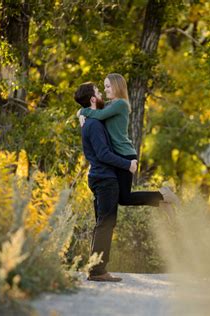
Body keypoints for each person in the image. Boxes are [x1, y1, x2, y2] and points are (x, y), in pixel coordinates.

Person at [78, 73, 179, 206]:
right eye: (104, 87)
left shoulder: (121, 104)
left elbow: (100, 115)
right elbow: (94, 108)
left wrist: (82, 113)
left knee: (124, 198)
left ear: (117, 86)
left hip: (124, 153)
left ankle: (163, 195)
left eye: (108, 86)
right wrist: (80, 111)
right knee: (122, 198)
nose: (105, 89)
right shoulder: (110, 104)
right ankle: (162, 201)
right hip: (117, 154)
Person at [75, 82, 138, 282]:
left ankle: (95, 268)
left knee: (103, 223)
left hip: (100, 177)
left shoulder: (91, 121)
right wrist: (126, 164)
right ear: (93, 99)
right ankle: (98, 271)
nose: (102, 93)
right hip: (104, 178)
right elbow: (103, 154)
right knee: (105, 224)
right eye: (98, 91)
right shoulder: (93, 124)